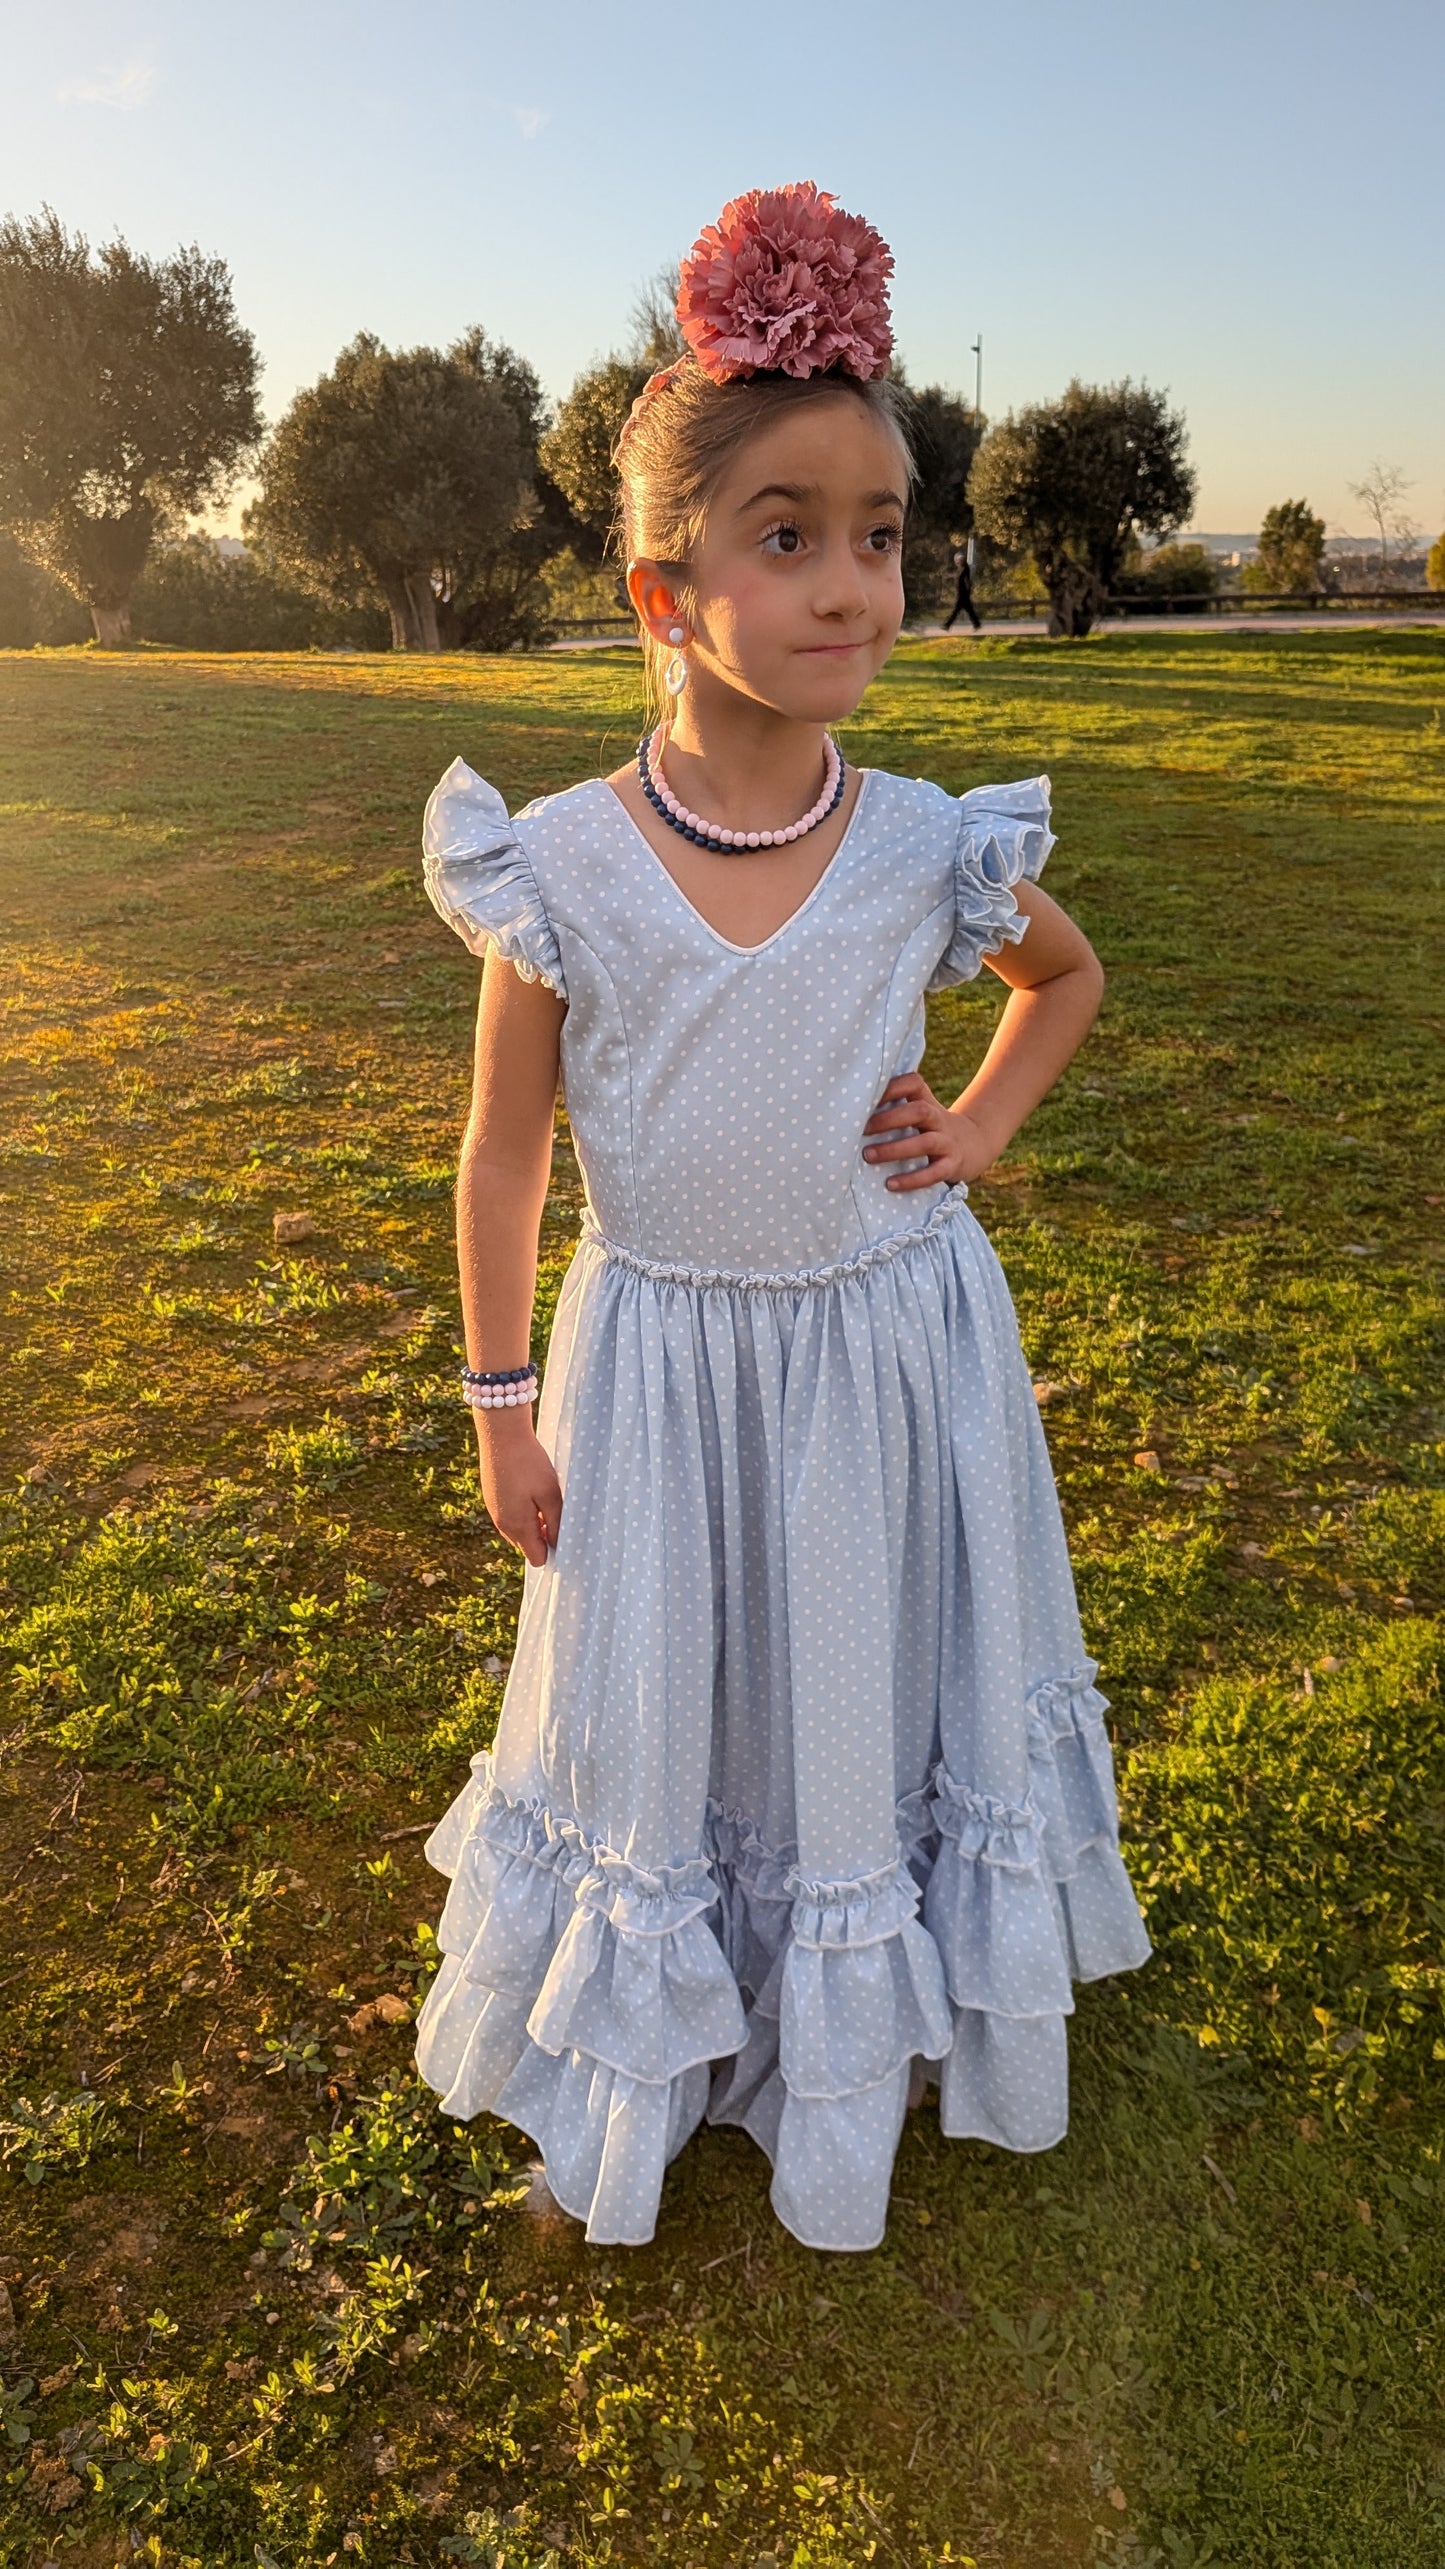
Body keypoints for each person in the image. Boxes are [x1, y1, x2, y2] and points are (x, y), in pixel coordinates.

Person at [413, 183, 1149, 2253]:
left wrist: (980, 1131)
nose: (851, 586)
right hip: (657, 1363)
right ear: (663, 591)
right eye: (785, 535)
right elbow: (496, 1152)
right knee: (662, 1697)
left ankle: (860, 2015)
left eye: (880, 532)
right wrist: (497, 1400)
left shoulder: (925, 845)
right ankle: (628, 2060)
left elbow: (1061, 981)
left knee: (852, 1676)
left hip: (880, 1350)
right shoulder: (555, 868)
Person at [943, 533, 983, 631]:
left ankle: (947, 625)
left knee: (956, 611)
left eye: (960, 560)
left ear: (962, 560)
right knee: (968, 611)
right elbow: (958, 576)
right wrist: (949, 576)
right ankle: (977, 624)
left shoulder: (965, 569)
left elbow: (967, 580)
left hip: (963, 594)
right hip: (962, 593)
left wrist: (968, 590)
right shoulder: (961, 569)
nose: (958, 562)